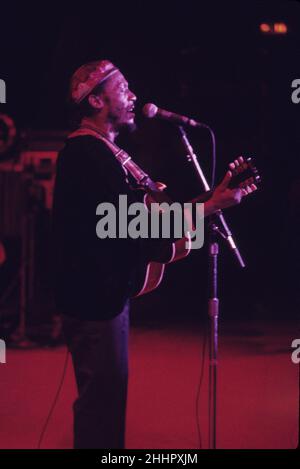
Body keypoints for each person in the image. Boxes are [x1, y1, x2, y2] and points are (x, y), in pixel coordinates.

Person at [52, 59, 256, 449]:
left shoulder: (109, 155)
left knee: (108, 405)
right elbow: (134, 227)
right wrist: (211, 207)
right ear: (95, 99)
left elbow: (146, 223)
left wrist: (212, 198)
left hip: (108, 298)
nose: (133, 96)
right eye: (122, 88)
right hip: (94, 302)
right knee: (101, 410)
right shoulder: (86, 154)